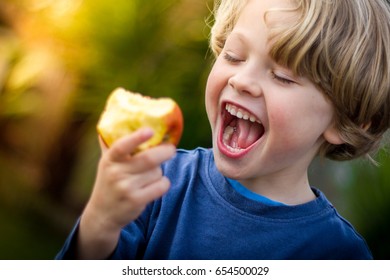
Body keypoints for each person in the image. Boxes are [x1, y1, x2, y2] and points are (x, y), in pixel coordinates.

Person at [56, 0, 390, 259]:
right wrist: (99, 223)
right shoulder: (156, 183)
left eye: (284, 76)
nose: (241, 80)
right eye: (232, 56)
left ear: (345, 121)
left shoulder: (338, 257)